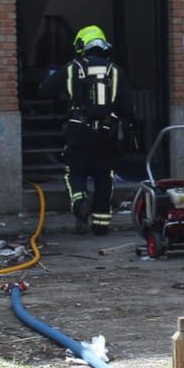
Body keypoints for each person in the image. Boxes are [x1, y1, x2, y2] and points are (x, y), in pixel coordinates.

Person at [39, 24, 128, 235]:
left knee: (75, 172)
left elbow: (45, 89)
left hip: (79, 131)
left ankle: (80, 203)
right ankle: (101, 224)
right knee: (104, 176)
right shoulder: (114, 71)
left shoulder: (72, 68)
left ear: (82, 45)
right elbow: (127, 106)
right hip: (106, 132)